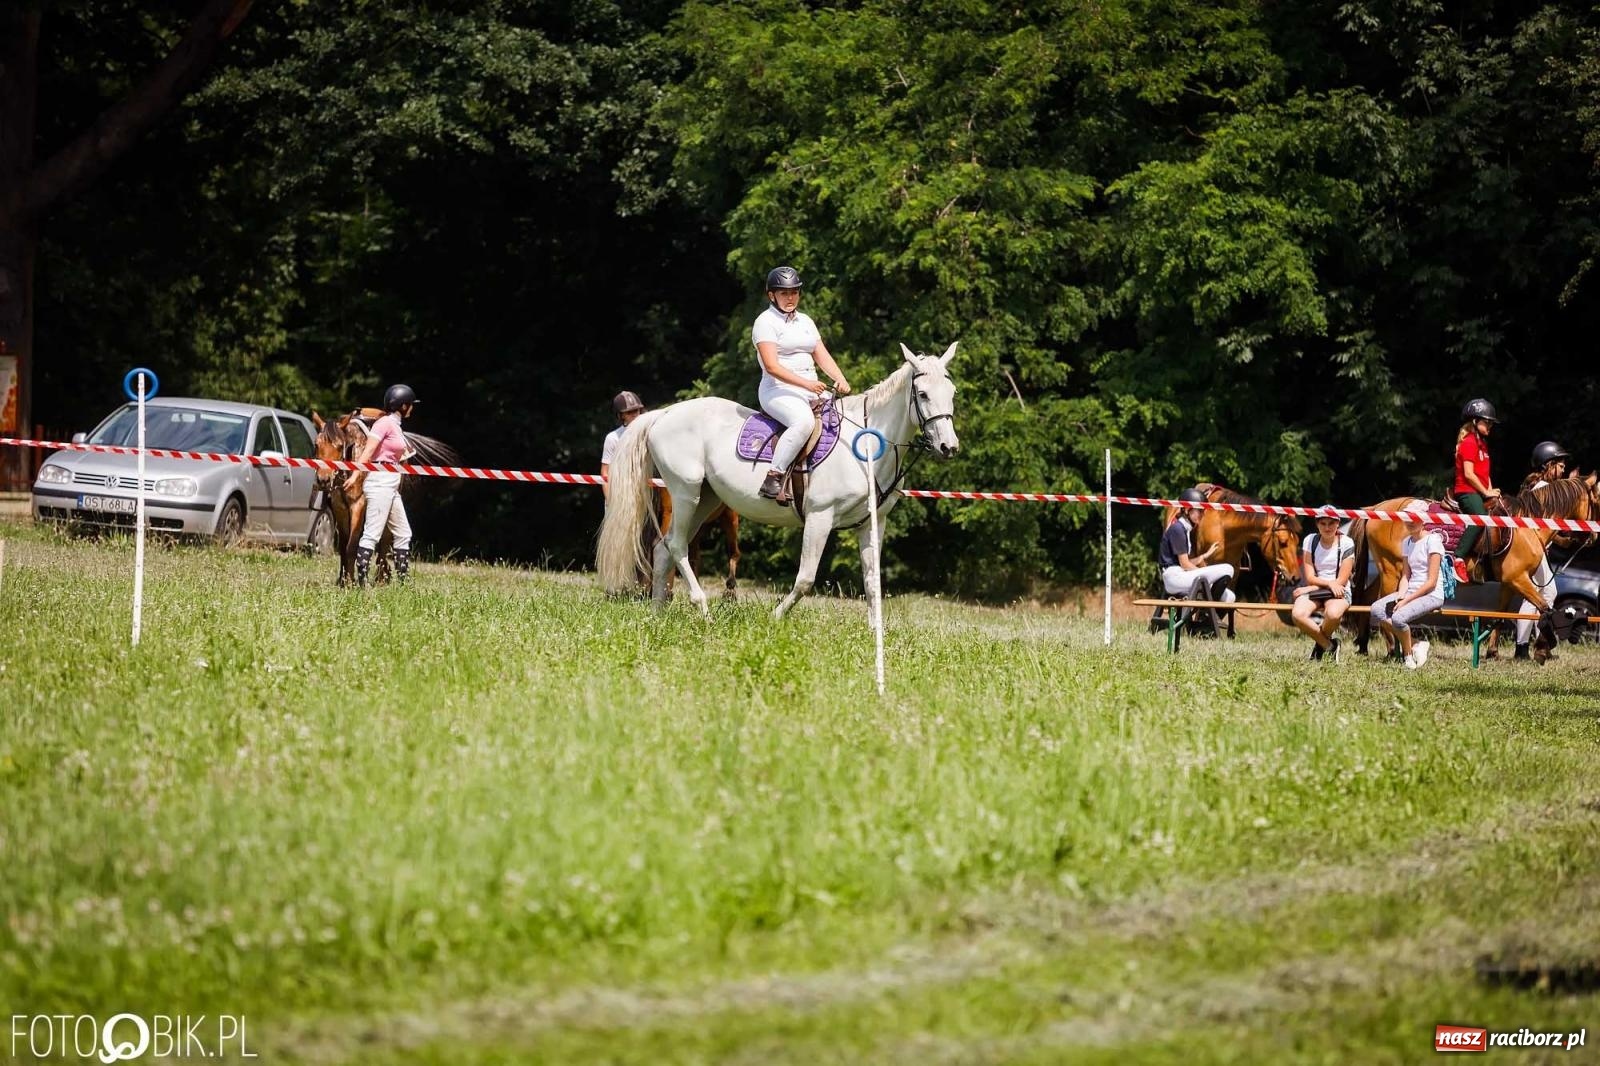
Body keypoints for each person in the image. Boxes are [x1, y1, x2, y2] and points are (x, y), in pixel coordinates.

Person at [751, 266, 852, 499]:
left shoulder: (805, 320)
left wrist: (840, 378)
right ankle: (774, 476)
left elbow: (821, 354)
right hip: (777, 390)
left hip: (811, 388)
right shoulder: (765, 322)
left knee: (844, 416)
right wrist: (807, 385)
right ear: (771, 295)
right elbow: (772, 366)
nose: (790, 298)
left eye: (794, 292)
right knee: (803, 422)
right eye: (784, 293)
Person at [346, 384, 417, 588]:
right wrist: (356, 475)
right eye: (410, 404)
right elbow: (368, 452)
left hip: (391, 483)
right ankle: (362, 582)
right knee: (372, 533)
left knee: (403, 533)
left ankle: (403, 583)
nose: (412, 408)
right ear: (403, 405)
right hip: (380, 482)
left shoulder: (396, 425)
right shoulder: (383, 423)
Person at [1510, 440, 1571, 659]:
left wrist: (1561, 541)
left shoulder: (1540, 488)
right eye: (1560, 466)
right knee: (1540, 594)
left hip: (1536, 549)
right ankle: (1527, 647)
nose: (1563, 470)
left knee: (1540, 595)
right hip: (1533, 550)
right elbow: (1541, 527)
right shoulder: (1543, 489)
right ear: (1548, 465)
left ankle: (1532, 645)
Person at [1371, 502, 1445, 669]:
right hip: (1411, 590)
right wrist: (1401, 595)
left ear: (1424, 519)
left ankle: (1407, 655)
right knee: (1376, 609)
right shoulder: (1407, 542)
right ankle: (1417, 643)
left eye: (1415, 518)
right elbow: (1406, 575)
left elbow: (1431, 582)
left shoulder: (1433, 540)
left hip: (1432, 594)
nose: (1410, 521)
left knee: (1398, 618)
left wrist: (1405, 601)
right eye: (1407, 517)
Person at [1291, 507, 1354, 663]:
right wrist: (1324, 584)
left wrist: (1313, 587)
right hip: (1318, 589)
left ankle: (1319, 648)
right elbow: (1310, 577)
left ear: (1338, 523)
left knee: (1333, 614)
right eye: (1323, 523)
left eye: (1331, 523)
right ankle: (1329, 646)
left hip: (1339, 590)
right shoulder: (1310, 540)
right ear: (1317, 524)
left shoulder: (1347, 542)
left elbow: (1342, 581)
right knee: (1298, 614)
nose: (1327, 527)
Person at [1451, 398, 1500, 584]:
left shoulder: (1483, 445)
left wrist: (1491, 490)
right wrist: (1486, 493)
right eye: (1487, 422)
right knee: (1479, 517)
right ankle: (1457, 559)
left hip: (1479, 491)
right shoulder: (1469, 443)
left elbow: (1485, 474)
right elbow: (1469, 475)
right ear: (1474, 421)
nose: (1490, 426)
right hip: (1467, 491)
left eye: (1491, 423)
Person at [1158, 487, 1237, 603]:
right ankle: (1207, 610)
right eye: (1200, 510)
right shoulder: (1178, 529)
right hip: (1174, 577)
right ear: (1187, 509)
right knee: (1228, 569)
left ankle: (1207, 613)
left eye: (1203, 511)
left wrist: (1204, 556)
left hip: (1180, 576)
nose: (1202, 514)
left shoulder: (1184, 529)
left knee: (1230, 597)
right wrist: (1205, 576)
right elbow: (1185, 565)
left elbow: (1184, 562)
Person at [601, 390, 646, 501]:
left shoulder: (648, 434)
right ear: (621, 415)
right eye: (629, 412)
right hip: (620, 494)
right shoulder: (613, 438)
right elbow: (605, 472)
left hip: (644, 494)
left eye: (636, 410)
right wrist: (609, 501)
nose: (634, 414)